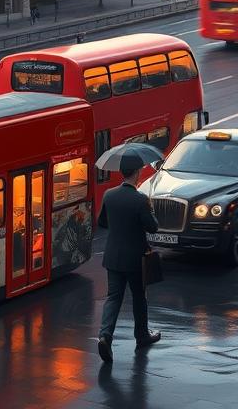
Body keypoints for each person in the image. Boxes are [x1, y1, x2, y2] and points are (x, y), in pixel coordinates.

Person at [97, 155, 161, 364]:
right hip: (135, 258)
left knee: (113, 297)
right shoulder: (141, 199)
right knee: (139, 296)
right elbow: (153, 227)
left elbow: (103, 223)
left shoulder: (109, 194)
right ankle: (142, 336)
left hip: (113, 256)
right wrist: (149, 209)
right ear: (137, 172)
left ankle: (105, 336)